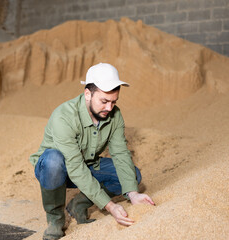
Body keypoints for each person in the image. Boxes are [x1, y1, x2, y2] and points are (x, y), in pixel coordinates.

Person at [29, 63, 155, 240]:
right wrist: (110, 206)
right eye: (104, 101)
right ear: (87, 94)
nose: (109, 108)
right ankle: (55, 222)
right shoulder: (64, 116)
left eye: (113, 102)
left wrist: (133, 194)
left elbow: (120, 154)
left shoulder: (114, 115)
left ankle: (78, 204)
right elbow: (75, 167)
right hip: (56, 169)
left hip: (88, 165)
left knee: (132, 176)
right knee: (53, 160)